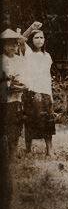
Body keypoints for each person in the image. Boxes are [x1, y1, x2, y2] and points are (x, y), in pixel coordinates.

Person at [20, 21, 55, 156]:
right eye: (36, 37)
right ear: (32, 40)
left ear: (44, 40)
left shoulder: (47, 56)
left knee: (48, 121)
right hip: (31, 91)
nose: (39, 40)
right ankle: (28, 149)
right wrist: (31, 29)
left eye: (41, 37)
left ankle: (49, 149)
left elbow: (47, 76)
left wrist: (50, 95)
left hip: (45, 91)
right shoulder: (27, 52)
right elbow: (21, 40)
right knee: (30, 120)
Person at [1, 29, 28, 158]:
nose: (13, 47)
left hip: (16, 98)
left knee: (15, 126)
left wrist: (22, 83)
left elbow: (25, 77)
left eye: (15, 44)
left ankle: (13, 151)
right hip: (3, 98)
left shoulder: (20, 60)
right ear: (3, 46)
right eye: (9, 44)